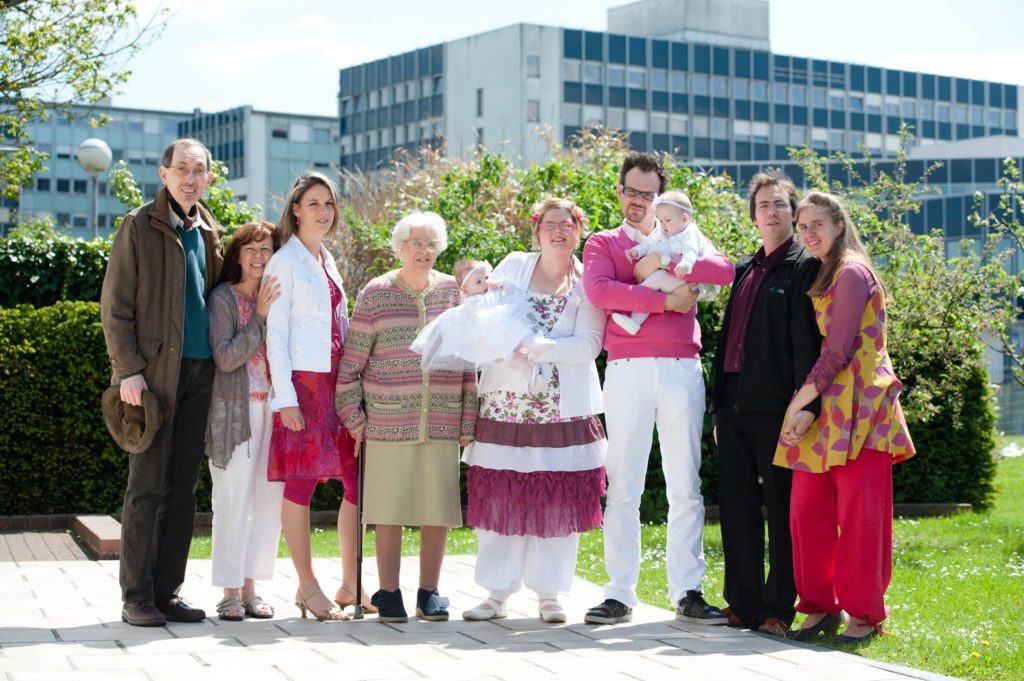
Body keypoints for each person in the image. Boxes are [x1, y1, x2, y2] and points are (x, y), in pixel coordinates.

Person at [582, 152, 735, 625]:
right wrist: (665, 301)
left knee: (685, 484)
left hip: (680, 367)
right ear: (620, 192)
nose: (639, 200)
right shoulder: (603, 242)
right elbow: (600, 291)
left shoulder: (685, 234)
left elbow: (724, 271)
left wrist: (667, 262)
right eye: (632, 190)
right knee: (623, 484)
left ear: (661, 197)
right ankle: (619, 593)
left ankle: (687, 591)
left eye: (648, 194)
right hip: (626, 368)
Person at [775, 191, 915, 643]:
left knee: (861, 518)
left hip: (864, 406)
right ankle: (819, 606)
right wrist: (807, 404)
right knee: (807, 512)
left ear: (838, 225)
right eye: (802, 227)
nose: (808, 234)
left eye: (817, 224)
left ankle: (864, 614)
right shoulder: (825, 272)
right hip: (829, 405)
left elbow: (837, 352)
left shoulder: (853, 272)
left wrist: (797, 404)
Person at [461, 198, 607, 624]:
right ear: (537, 230)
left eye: (567, 224)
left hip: (563, 411)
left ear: (579, 230)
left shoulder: (588, 281)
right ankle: (496, 594)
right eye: (550, 224)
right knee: (501, 496)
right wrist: (507, 346)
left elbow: (589, 345)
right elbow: (483, 317)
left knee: (557, 499)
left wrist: (541, 348)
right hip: (506, 405)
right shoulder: (513, 266)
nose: (558, 231)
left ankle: (550, 594)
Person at [101, 138, 224, 627]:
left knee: (182, 490)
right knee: (146, 487)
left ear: (209, 177)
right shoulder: (137, 226)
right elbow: (115, 306)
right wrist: (127, 370)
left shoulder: (211, 230)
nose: (191, 179)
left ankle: (167, 592)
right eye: (183, 169)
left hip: (200, 373)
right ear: (164, 173)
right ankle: (136, 596)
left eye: (199, 171)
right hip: (152, 379)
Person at [335, 211, 477, 624]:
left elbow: (466, 362)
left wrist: (467, 421)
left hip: (442, 420)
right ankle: (389, 592)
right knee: (389, 511)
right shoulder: (376, 294)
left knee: (438, 511)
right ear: (399, 247)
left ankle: (429, 593)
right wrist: (357, 421)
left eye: (431, 244)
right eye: (416, 243)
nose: (424, 251)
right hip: (387, 422)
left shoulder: (452, 293)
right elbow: (350, 368)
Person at [709, 170, 821, 637]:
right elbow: (726, 343)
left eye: (779, 204)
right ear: (753, 216)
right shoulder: (743, 269)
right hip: (733, 407)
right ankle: (742, 603)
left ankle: (777, 607)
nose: (771, 212)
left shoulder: (805, 267)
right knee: (736, 506)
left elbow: (807, 345)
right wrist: (718, 409)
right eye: (763, 205)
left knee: (781, 509)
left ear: (792, 212)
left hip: (779, 410)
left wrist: (805, 408)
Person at [264, 172, 362, 622]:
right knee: (301, 483)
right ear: (296, 210)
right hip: (303, 387)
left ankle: (351, 584)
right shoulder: (284, 261)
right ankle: (307, 586)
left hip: (337, 384)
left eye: (329, 204)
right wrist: (285, 398)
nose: (324, 211)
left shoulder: (328, 259)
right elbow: (277, 332)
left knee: (355, 481)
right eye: (314, 204)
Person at [205, 221, 284, 620]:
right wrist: (261, 316)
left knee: (267, 503)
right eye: (250, 249)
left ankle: (252, 589)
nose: (258, 256)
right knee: (232, 500)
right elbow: (225, 356)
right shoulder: (223, 298)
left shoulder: (279, 293)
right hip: (236, 410)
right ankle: (229, 591)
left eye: (266, 248)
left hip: (276, 409)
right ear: (236, 255)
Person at [410, 258, 552, 374]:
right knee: (514, 332)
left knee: (518, 342)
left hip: (499, 335)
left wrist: (503, 285)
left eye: (486, 277)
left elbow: (514, 294)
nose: (486, 283)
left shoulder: (490, 291)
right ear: (466, 290)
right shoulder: (473, 301)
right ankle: (533, 353)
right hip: (489, 338)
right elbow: (479, 313)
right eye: (479, 282)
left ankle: (534, 360)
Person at [612, 190, 717, 335]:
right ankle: (634, 321)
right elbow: (648, 243)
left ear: (684, 218)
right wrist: (637, 251)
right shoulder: (662, 232)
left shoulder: (689, 233)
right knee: (654, 283)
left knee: (657, 278)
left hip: (686, 281)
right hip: (674, 278)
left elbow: (691, 250)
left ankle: (633, 311)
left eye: (667, 220)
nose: (662, 225)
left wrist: (686, 264)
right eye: (660, 220)